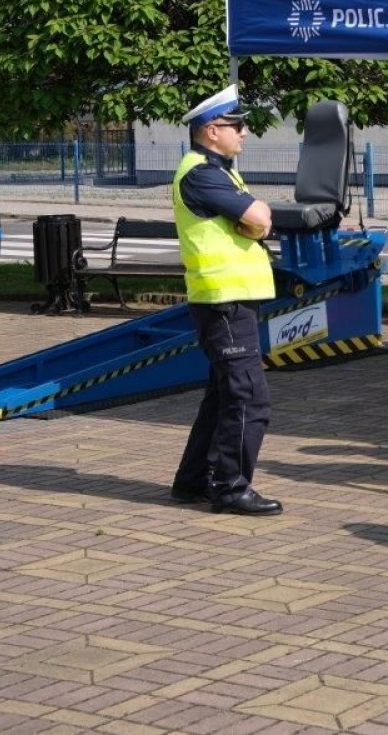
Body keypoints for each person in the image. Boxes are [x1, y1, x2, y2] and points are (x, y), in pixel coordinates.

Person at [169, 85, 282, 516]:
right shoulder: (201, 172)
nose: (245, 132)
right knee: (248, 397)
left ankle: (194, 481)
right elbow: (257, 217)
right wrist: (255, 221)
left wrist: (256, 221)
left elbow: (260, 218)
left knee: (222, 395)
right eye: (237, 125)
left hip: (230, 298)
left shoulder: (219, 169)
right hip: (224, 300)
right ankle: (231, 487)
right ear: (212, 130)